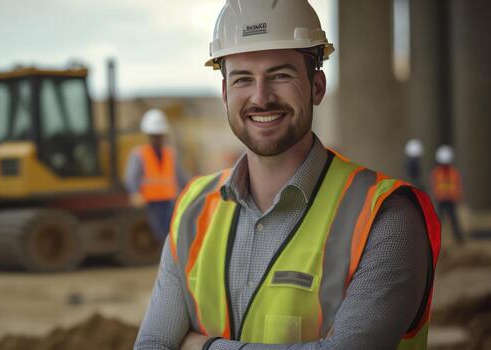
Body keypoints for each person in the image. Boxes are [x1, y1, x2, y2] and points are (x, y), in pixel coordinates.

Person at [135, 1, 441, 349]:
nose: (261, 97)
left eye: (280, 75)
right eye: (243, 79)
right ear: (224, 94)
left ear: (317, 86)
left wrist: (201, 346)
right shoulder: (192, 208)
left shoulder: (386, 217)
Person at [125, 108, 189, 243]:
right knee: (160, 233)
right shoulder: (139, 154)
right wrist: (135, 192)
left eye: (159, 135)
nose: (157, 138)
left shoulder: (170, 153)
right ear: (148, 135)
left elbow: (181, 176)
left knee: (171, 232)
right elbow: (131, 177)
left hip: (169, 200)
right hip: (151, 203)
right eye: (154, 135)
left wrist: (191, 189)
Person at [430, 145, 464, 244]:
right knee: (438, 220)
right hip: (441, 200)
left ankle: (459, 239)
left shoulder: (454, 173)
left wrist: (457, 196)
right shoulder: (436, 173)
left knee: (454, 220)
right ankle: (433, 239)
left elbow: (458, 186)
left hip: (450, 200)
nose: (445, 166)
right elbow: (435, 186)